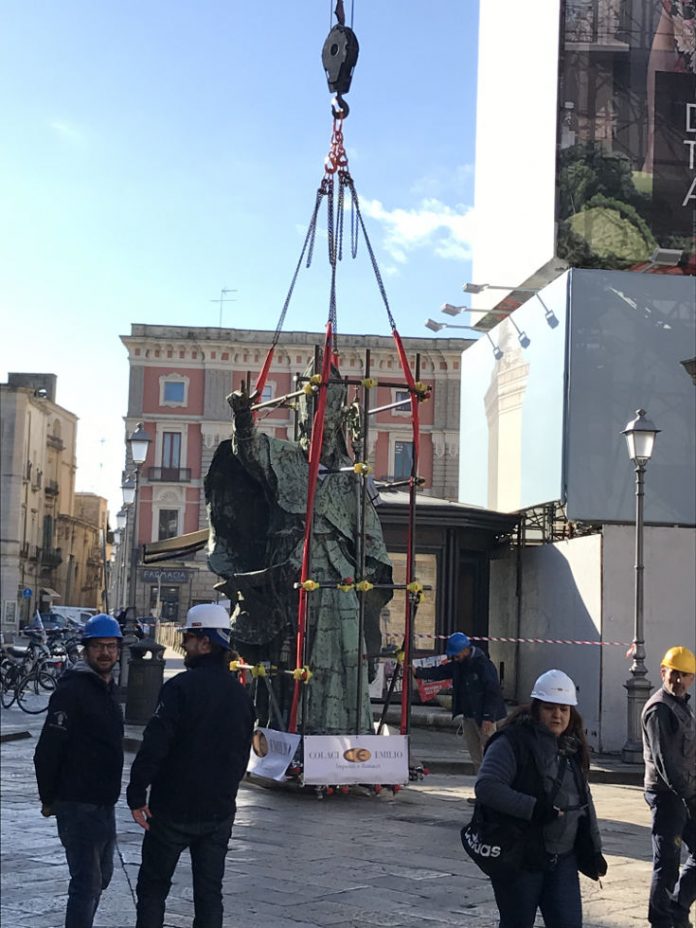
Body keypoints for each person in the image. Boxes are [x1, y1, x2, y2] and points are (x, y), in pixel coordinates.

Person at [126, 603, 255, 928]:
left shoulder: (179, 688)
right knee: (209, 895)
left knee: (153, 889)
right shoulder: (241, 696)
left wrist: (137, 792)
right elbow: (242, 754)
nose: (183, 644)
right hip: (218, 811)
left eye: (189, 638)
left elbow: (155, 744)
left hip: (172, 809)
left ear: (205, 642)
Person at [474, 669, 607, 928]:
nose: (557, 715)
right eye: (549, 708)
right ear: (536, 708)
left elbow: (583, 798)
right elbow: (487, 787)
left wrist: (595, 848)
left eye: (564, 709)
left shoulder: (571, 745)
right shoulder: (512, 742)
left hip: (563, 858)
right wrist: (534, 808)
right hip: (521, 855)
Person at [33, 613, 124, 928]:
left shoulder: (108, 688)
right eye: (98, 646)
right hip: (76, 802)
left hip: (104, 803)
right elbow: (47, 750)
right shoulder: (71, 691)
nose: (105, 653)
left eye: (111, 646)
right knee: (87, 883)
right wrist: (49, 798)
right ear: (86, 649)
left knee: (103, 876)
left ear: (119, 650)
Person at [641, 645, 696, 928]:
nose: (678, 680)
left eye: (684, 675)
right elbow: (666, 763)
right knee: (667, 863)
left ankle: (678, 907)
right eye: (673, 673)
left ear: (692, 679)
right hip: (667, 796)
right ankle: (661, 921)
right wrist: (690, 797)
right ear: (663, 672)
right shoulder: (659, 709)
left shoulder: (682, 706)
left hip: (686, 793)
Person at [413, 631, 506, 772]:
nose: (455, 658)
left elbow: (493, 692)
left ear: (465, 650)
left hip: (484, 717)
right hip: (470, 716)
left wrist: (488, 717)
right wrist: (418, 672)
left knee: (490, 756)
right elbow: (441, 672)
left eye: (456, 655)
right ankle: (481, 782)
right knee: (476, 757)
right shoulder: (459, 664)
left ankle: (494, 782)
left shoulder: (483, 665)